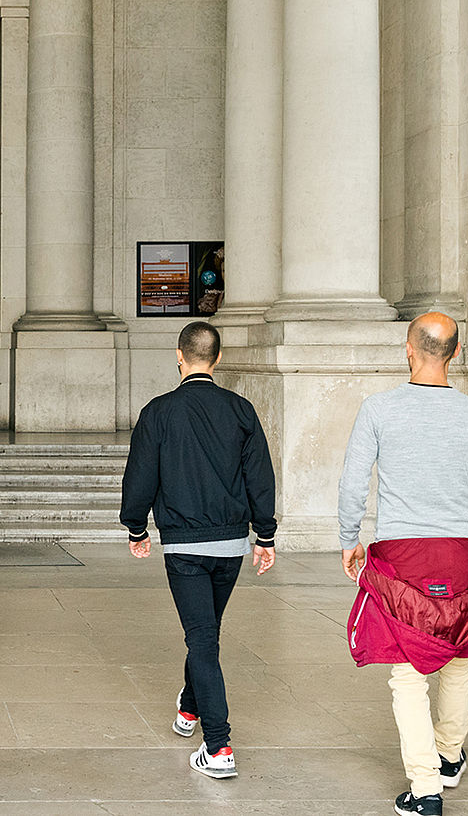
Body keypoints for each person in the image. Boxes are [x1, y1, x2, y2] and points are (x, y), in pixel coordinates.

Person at [336, 313, 468, 816]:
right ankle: (448, 757)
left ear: (408, 349)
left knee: (407, 674)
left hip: (402, 555)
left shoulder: (378, 409)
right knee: (460, 657)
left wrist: (348, 538)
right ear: (456, 353)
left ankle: (425, 790)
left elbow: (353, 483)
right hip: (463, 553)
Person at [119, 321, 276, 781]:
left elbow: (141, 475)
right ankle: (189, 708)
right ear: (218, 359)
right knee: (205, 633)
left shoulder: (159, 412)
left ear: (178, 356)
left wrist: (136, 527)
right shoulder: (242, 410)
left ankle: (219, 745)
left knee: (202, 638)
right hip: (230, 547)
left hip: (184, 547)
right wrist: (264, 536)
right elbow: (260, 478)